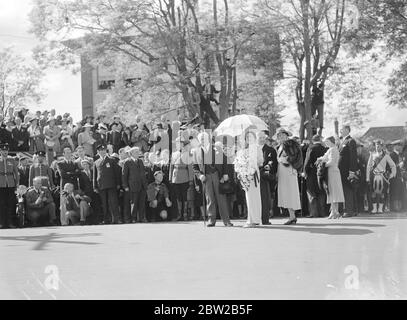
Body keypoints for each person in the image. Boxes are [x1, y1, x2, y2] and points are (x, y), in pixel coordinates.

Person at [192, 132, 233, 227]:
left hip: (216, 175)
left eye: (204, 138)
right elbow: (194, 167)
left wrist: (225, 173)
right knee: (209, 199)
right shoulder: (196, 151)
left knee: (221, 198)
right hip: (206, 177)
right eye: (201, 138)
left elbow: (224, 161)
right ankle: (211, 220)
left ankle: (226, 220)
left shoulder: (216, 148)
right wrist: (199, 176)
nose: (202, 140)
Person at [234, 131, 263, 228]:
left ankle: (254, 220)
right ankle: (251, 219)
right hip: (245, 175)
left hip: (253, 174)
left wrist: (251, 163)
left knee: (254, 197)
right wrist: (242, 167)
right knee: (248, 197)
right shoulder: (243, 150)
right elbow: (238, 162)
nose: (249, 139)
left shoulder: (257, 148)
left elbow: (260, 161)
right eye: (247, 137)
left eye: (251, 137)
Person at [275, 128, 302, 225]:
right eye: (279, 135)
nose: (280, 137)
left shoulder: (289, 144)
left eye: (282, 135)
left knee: (290, 193)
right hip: (283, 171)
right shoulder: (281, 145)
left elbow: (292, 156)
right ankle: (292, 216)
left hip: (288, 170)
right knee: (286, 193)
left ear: (286, 135)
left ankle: (292, 216)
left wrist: (282, 160)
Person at [317, 136, 345, 219]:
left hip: (333, 172)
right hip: (331, 172)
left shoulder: (333, 149)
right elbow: (324, 157)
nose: (326, 143)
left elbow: (332, 162)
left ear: (331, 142)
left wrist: (322, 165)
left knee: (332, 191)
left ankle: (334, 212)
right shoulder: (330, 149)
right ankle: (334, 211)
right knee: (332, 191)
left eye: (327, 141)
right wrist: (319, 159)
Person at [93, 144, 122, 224]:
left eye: (104, 150)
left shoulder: (112, 160)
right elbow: (95, 175)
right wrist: (94, 186)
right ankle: (106, 219)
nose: (102, 152)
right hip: (101, 185)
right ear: (98, 152)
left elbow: (116, 173)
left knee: (113, 202)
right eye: (100, 151)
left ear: (106, 151)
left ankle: (116, 219)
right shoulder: (96, 162)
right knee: (104, 203)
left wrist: (118, 184)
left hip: (111, 184)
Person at [366, 139, 396, 214]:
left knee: (383, 193)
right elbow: (368, 166)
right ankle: (374, 209)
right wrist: (367, 177)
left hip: (383, 176)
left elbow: (392, 165)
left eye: (379, 146)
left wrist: (391, 174)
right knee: (373, 193)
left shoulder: (386, 155)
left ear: (382, 147)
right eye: (376, 146)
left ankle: (380, 209)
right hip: (374, 175)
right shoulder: (372, 154)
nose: (377, 147)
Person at [302, 134, 327, 218]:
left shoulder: (311, 148)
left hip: (312, 172)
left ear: (313, 140)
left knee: (311, 192)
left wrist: (305, 171)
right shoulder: (324, 148)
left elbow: (307, 161)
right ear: (320, 140)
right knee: (321, 192)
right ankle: (322, 212)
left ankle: (313, 213)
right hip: (322, 172)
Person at [169, 137, 194, 221]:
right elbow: (171, 167)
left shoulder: (187, 154)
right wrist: (170, 178)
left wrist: (191, 179)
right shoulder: (174, 154)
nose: (178, 144)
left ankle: (185, 213)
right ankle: (179, 214)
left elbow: (190, 168)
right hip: (175, 177)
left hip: (184, 177)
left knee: (185, 197)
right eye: (177, 143)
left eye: (179, 143)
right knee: (178, 197)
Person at [56, 146, 82, 225]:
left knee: (74, 202)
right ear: (63, 154)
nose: (69, 154)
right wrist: (72, 173)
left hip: (74, 185)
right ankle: (64, 222)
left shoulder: (75, 163)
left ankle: (74, 221)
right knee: (64, 204)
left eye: (70, 152)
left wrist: (69, 173)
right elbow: (62, 174)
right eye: (67, 153)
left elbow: (78, 173)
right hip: (65, 187)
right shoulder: (60, 163)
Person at [122, 146, 148, 223]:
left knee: (142, 203)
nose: (138, 153)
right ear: (131, 153)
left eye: (138, 152)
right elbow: (124, 175)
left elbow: (143, 174)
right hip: (132, 185)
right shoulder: (127, 162)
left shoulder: (140, 161)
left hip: (142, 185)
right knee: (134, 203)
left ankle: (142, 217)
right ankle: (133, 218)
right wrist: (125, 186)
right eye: (136, 152)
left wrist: (145, 185)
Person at [338, 125, 358, 217]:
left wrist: (352, 171)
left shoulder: (351, 141)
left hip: (347, 171)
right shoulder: (342, 141)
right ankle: (345, 210)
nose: (340, 131)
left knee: (348, 190)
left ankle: (349, 211)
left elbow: (353, 157)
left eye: (342, 129)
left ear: (347, 130)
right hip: (341, 171)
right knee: (344, 190)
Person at [258, 131, 277, 224]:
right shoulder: (251, 150)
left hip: (264, 177)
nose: (261, 139)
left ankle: (265, 219)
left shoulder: (271, 150)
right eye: (259, 138)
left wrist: (264, 172)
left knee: (265, 199)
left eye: (263, 138)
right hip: (253, 176)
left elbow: (272, 163)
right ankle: (255, 218)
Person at [0, 143, 19, 229]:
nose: (5, 152)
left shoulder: (11, 160)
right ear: (1, 151)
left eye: (6, 150)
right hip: (1, 184)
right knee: (2, 204)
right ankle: (2, 223)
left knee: (11, 204)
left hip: (11, 184)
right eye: (3, 150)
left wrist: (17, 184)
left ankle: (11, 222)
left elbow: (16, 172)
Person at [389, 140, 405, 212]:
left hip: (400, 177)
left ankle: (400, 207)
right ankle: (394, 207)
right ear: (395, 146)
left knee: (400, 192)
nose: (401, 147)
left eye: (401, 145)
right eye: (399, 145)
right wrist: (399, 165)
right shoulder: (391, 155)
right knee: (395, 192)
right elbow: (390, 167)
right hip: (394, 178)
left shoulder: (400, 155)